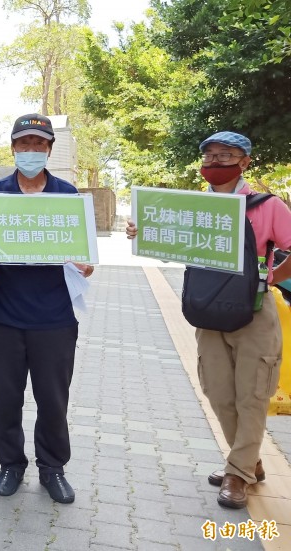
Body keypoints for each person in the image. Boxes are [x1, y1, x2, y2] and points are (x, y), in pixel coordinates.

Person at [127, 131, 291, 509]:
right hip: (208, 309)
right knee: (218, 392)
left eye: (226, 155)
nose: (215, 162)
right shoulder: (193, 208)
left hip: (254, 311)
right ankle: (249, 462)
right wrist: (142, 232)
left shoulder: (267, 206)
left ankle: (238, 473)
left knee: (252, 395)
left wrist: (270, 278)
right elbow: (166, 243)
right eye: (210, 156)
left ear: (245, 162)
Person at [0, 114, 94, 504]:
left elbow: (83, 255)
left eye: (39, 144)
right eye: (24, 144)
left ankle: (52, 467)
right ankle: (10, 464)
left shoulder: (67, 196)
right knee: (4, 398)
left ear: (49, 149)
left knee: (53, 400)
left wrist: (85, 265)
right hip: (2, 317)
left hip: (54, 318)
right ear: (13, 148)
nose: (31, 151)